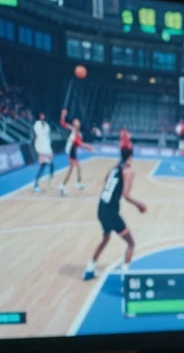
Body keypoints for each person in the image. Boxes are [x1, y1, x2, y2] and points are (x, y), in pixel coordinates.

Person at [84, 149, 147, 281]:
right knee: (131, 243)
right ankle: (125, 275)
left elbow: (106, 180)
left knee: (106, 238)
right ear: (131, 156)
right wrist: (139, 205)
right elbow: (125, 195)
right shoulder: (127, 171)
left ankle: (90, 267)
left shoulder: (115, 168)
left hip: (101, 208)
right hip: (111, 212)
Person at [58, 109, 92, 196]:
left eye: (78, 122)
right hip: (70, 151)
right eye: (76, 122)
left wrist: (85, 146)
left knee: (75, 168)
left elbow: (79, 143)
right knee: (74, 169)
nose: (78, 123)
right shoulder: (72, 130)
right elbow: (62, 122)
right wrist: (63, 115)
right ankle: (64, 185)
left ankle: (74, 183)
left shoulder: (79, 134)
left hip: (74, 152)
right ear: (74, 124)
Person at [31, 112, 54, 192]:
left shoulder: (46, 125)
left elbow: (47, 136)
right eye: (41, 115)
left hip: (47, 147)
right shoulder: (37, 125)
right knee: (44, 165)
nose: (43, 116)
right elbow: (38, 136)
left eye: (44, 115)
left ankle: (48, 178)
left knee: (48, 164)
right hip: (41, 148)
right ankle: (35, 184)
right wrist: (40, 151)